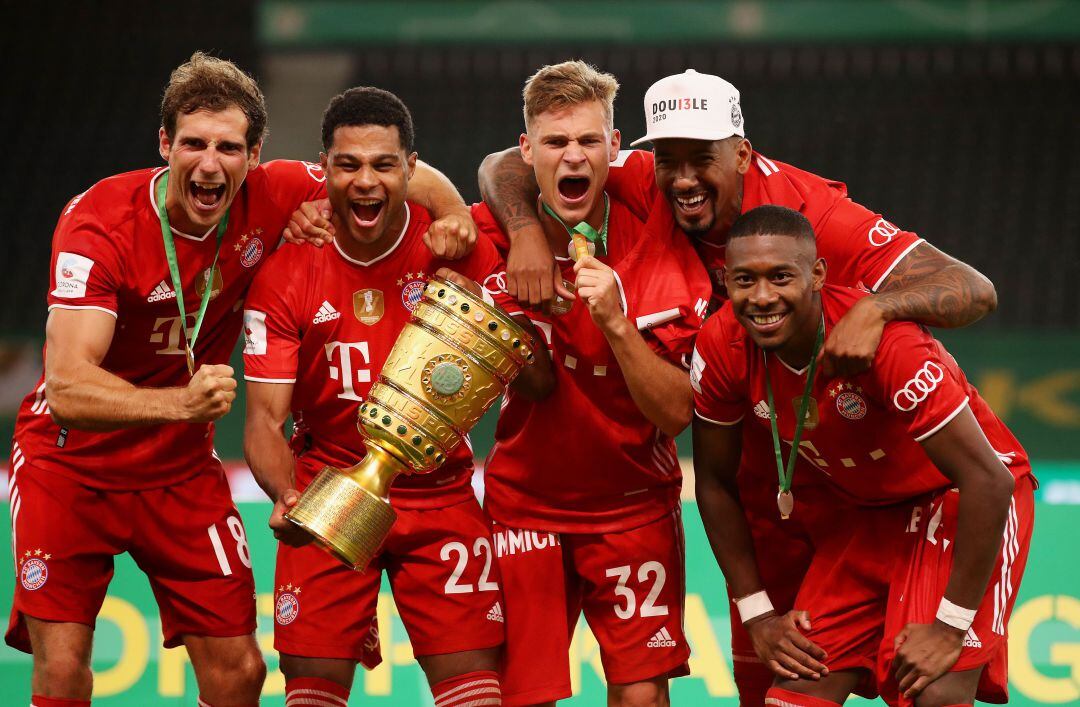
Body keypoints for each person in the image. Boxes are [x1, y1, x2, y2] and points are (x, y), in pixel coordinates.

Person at [477, 68, 999, 704]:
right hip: (756, 457)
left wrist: (877, 308)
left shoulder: (814, 218)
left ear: (743, 154)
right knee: (772, 681)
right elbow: (507, 162)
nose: (684, 178)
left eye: (703, 158)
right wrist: (528, 232)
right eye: (667, 158)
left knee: (926, 686)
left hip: (859, 473)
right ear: (641, 154)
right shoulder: (641, 175)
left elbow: (974, 288)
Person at [7, 53, 480, 707]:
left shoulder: (277, 192)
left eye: (229, 147)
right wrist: (183, 402)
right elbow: (65, 386)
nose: (210, 163)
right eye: (194, 143)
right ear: (165, 144)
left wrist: (455, 211)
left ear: (254, 154)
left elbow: (396, 170)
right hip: (71, 466)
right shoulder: (100, 224)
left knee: (239, 673)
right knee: (62, 671)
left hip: (178, 471)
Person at [242, 86, 553, 707]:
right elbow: (263, 421)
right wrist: (291, 499)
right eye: (348, 164)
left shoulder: (459, 251)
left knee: (476, 696)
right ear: (322, 169)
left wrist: (481, 306)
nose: (366, 181)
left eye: (384, 164)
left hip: (440, 497)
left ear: (411, 168)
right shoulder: (282, 275)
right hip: (328, 488)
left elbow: (538, 381)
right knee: (310, 696)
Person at [691, 205, 1033, 706]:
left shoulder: (889, 346)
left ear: (818, 275)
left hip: (960, 499)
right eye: (744, 280)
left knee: (933, 692)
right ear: (727, 279)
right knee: (792, 694)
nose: (762, 297)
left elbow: (989, 480)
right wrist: (758, 614)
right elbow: (716, 482)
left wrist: (950, 626)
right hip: (866, 513)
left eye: (780, 277)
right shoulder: (722, 343)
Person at [470, 60, 711, 707]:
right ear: (528, 151)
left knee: (642, 698)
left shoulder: (659, 223)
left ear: (615, 146)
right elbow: (472, 177)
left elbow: (679, 411)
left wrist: (615, 320)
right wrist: (522, 233)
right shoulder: (489, 230)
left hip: (633, 504)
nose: (572, 154)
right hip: (524, 505)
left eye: (587, 140)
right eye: (554, 142)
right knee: (524, 695)